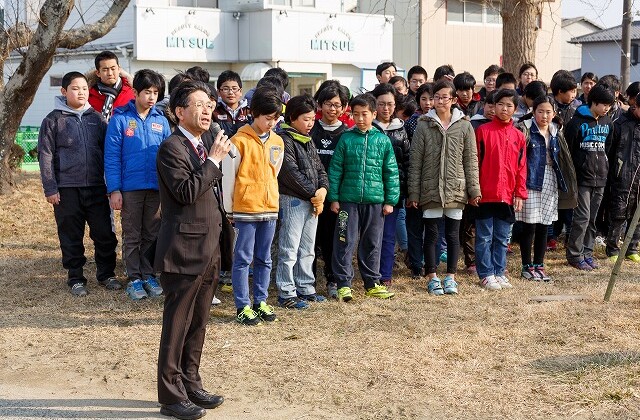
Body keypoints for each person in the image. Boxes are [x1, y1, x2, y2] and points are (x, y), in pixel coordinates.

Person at [155, 80, 229, 420]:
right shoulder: (171, 148)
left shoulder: (204, 144)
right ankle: (171, 396)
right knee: (177, 324)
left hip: (209, 246)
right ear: (179, 112)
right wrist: (213, 161)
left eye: (209, 104)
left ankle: (190, 382)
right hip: (184, 248)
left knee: (198, 321)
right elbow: (185, 192)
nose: (206, 110)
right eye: (198, 104)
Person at [38, 71, 119, 297]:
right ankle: (75, 277)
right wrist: (50, 188)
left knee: (104, 233)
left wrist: (111, 185)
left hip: (97, 188)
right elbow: (45, 155)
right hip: (67, 189)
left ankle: (107, 274)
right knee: (71, 235)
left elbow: (110, 153)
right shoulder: (53, 120)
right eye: (75, 88)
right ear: (64, 92)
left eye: (84, 88)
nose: (81, 92)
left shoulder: (98, 119)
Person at [407, 80, 481, 295]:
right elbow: (415, 161)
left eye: (444, 97)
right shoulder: (423, 125)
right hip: (430, 188)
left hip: (456, 188)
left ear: (453, 100)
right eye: (436, 97)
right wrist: (413, 193)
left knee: (453, 235)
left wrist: (474, 190)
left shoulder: (464, 126)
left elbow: (471, 160)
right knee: (431, 235)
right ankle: (432, 277)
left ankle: (450, 277)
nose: (439, 101)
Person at [104, 69, 171, 300]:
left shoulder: (161, 121)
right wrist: (114, 189)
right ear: (135, 92)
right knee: (132, 234)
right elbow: (111, 157)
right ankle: (134, 278)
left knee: (152, 233)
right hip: (129, 188)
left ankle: (148, 274)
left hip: (156, 188)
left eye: (156, 93)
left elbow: (168, 156)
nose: (152, 97)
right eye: (147, 92)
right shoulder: (120, 119)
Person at [328, 93, 399, 301]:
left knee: (372, 243)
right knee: (344, 241)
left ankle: (372, 283)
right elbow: (335, 169)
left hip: (375, 201)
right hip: (347, 202)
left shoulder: (382, 140)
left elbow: (391, 172)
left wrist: (390, 201)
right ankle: (343, 284)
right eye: (355, 114)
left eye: (364, 114)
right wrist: (334, 197)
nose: (359, 118)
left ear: (373, 114)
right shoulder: (346, 138)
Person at [222, 87, 284, 325]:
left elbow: (275, 172)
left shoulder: (278, 141)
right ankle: (243, 305)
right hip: (245, 210)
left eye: (275, 118)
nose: (272, 123)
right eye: (268, 118)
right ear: (254, 113)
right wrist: (229, 209)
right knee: (242, 258)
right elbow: (228, 178)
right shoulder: (237, 142)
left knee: (264, 258)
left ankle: (261, 301)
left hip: (269, 208)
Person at [275, 94, 329, 308]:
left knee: (307, 248)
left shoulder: (307, 139)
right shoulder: (284, 139)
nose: (310, 123)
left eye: (313, 119)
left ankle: (305, 287)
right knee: (289, 248)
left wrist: (323, 190)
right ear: (292, 118)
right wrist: (314, 194)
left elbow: (320, 169)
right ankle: (286, 292)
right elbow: (290, 174)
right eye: (306, 119)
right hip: (293, 201)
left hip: (312, 201)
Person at [516, 96, 577, 281]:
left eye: (548, 112)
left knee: (545, 224)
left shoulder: (556, 130)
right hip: (530, 179)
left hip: (550, 178)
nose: (544, 116)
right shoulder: (525, 129)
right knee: (529, 225)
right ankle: (526, 266)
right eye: (540, 111)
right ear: (533, 112)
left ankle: (539, 265)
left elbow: (564, 159)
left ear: (554, 113)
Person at [475, 89, 528, 290]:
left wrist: (520, 193)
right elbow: (475, 162)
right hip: (485, 194)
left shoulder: (518, 136)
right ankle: (486, 274)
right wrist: (474, 190)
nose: (504, 109)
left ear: (515, 109)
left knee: (502, 237)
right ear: (493, 106)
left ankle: (499, 271)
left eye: (509, 105)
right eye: (500, 104)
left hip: (507, 195)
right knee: (484, 237)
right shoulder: (483, 131)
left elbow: (522, 167)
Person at [564, 84, 615, 271]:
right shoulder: (576, 122)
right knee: (582, 217)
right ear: (594, 102)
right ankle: (574, 254)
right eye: (604, 104)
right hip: (582, 178)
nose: (607, 108)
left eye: (609, 105)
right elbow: (569, 149)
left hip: (600, 177)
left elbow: (608, 147)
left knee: (593, 218)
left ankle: (587, 252)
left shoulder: (608, 122)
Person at [310, 84, 349, 298]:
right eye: (328, 104)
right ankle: (308, 281)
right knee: (310, 242)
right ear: (320, 105)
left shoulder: (347, 133)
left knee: (334, 240)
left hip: (336, 198)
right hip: (311, 196)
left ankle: (333, 280)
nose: (332, 109)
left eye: (337, 105)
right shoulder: (310, 129)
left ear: (344, 107)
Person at [371, 83, 410, 287]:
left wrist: (406, 191)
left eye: (390, 104)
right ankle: (370, 273)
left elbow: (407, 162)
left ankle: (385, 275)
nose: (385, 108)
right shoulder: (368, 129)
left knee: (388, 236)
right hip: (370, 190)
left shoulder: (401, 129)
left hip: (394, 192)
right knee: (371, 236)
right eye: (381, 104)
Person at [606, 93, 640, 262]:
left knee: (638, 214)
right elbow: (610, 151)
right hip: (623, 174)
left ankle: (632, 247)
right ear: (636, 106)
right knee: (619, 212)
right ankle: (612, 248)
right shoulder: (620, 123)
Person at [88, 50, 135, 121]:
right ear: (98, 73)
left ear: (119, 69)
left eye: (113, 69)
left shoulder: (132, 92)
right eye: (105, 70)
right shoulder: (89, 96)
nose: (110, 73)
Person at [212, 70, 251, 138]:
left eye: (234, 88)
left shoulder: (249, 111)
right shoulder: (214, 112)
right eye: (226, 89)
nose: (230, 92)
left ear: (240, 91)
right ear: (218, 92)